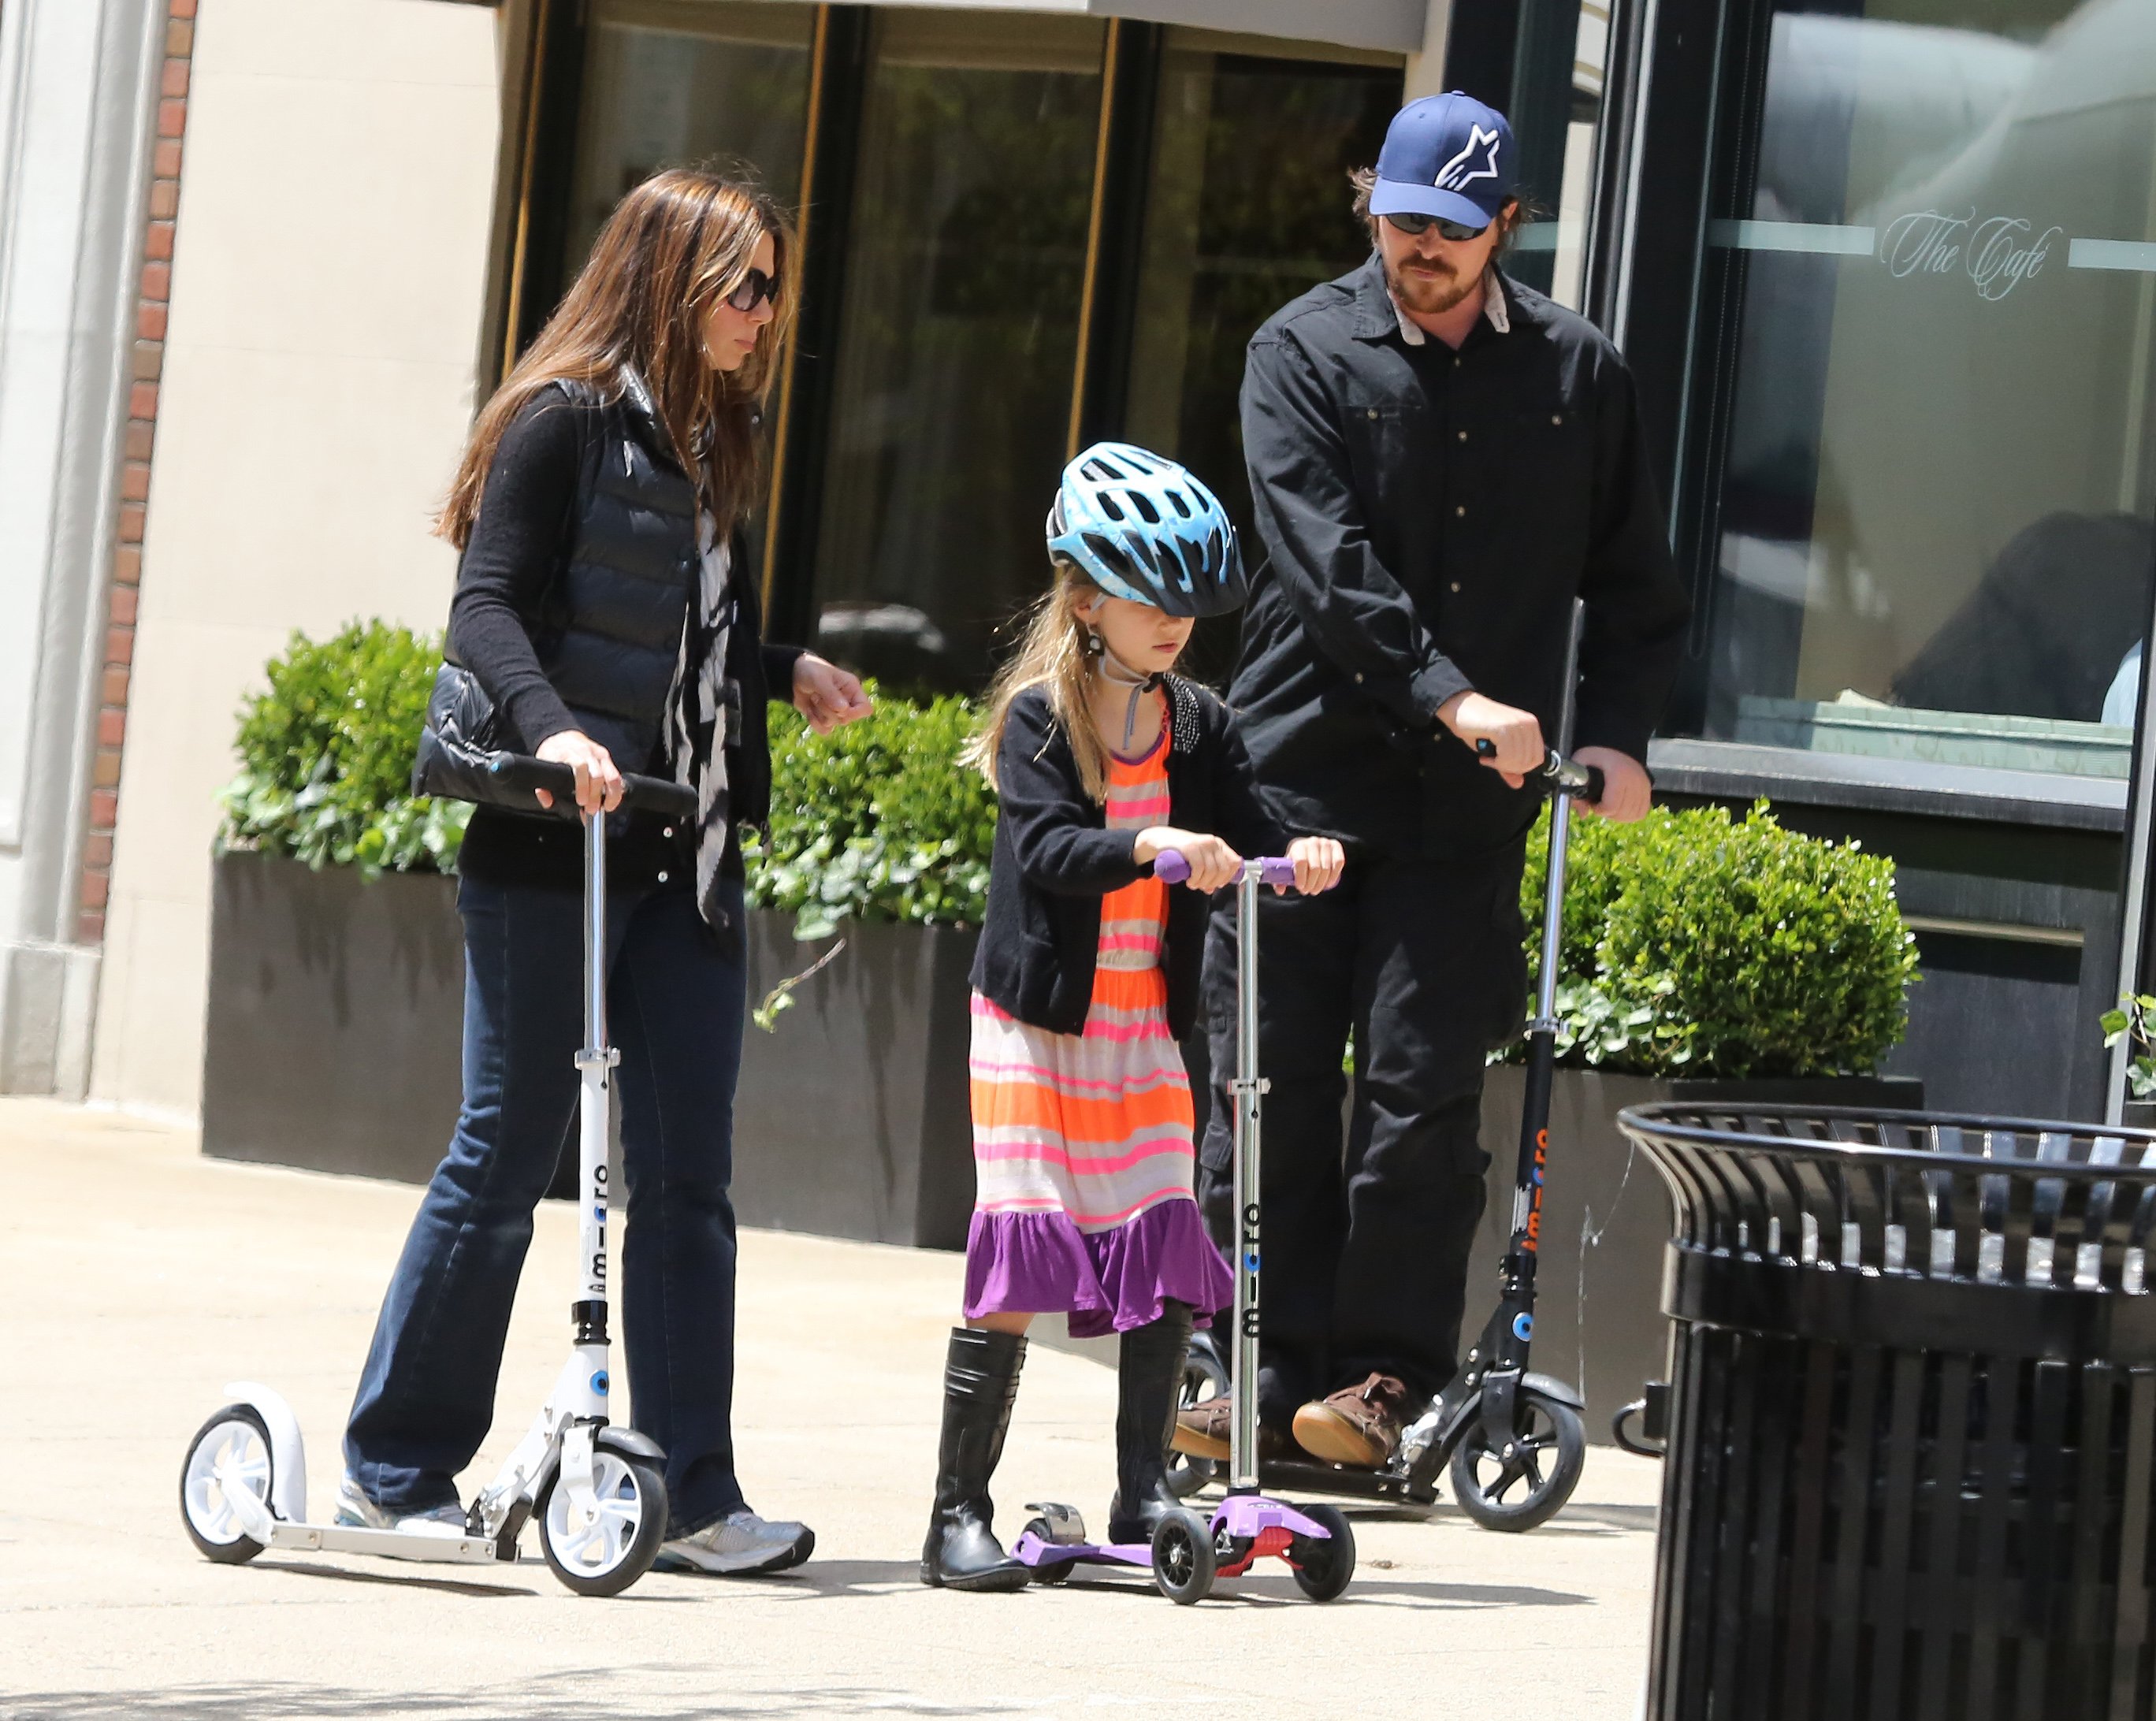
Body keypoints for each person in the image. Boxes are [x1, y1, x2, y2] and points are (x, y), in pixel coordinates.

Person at [340, 168, 872, 1574]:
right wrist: (554, 730)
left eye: (772, 287)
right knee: (507, 1156)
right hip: (551, 850)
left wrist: (776, 668)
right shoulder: (560, 423)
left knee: (689, 1179)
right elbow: (489, 611)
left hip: (685, 853)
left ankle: (691, 1492)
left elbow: (666, 647)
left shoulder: (711, 439)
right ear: (670, 277)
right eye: (744, 285)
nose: (765, 313)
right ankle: (394, 1468)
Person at [1173, 93, 1689, 1470]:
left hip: (1462, 821)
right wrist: (1452, 694)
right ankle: (1252, 1362)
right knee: (1262, 1090)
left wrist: (1622, 736)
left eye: (1452, 231)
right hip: (1292, 788)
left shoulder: (1581, 376)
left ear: (1507, 226)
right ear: (1372, 209)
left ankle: (1382, 1388)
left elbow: (1637, 589)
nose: (1421, 250)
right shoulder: (1300, 351)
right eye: (1401, 222)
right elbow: (1325, 561)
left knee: (1419, 1104)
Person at [920, 444, 1346, 1591]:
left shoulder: (1196, 724)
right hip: (1036, 1028)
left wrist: (1295, 853)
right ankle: (957, 1516)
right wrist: (1151, 846)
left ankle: (1143, 1489)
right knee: (1019, 1255)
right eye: (1152, 599)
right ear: (1086, 597)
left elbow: (1251, 822)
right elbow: (1050, 848)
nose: (1175, 625)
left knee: (1160, 1232)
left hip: (1136, 1027)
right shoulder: (1037, 723)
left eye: (1189, 604)